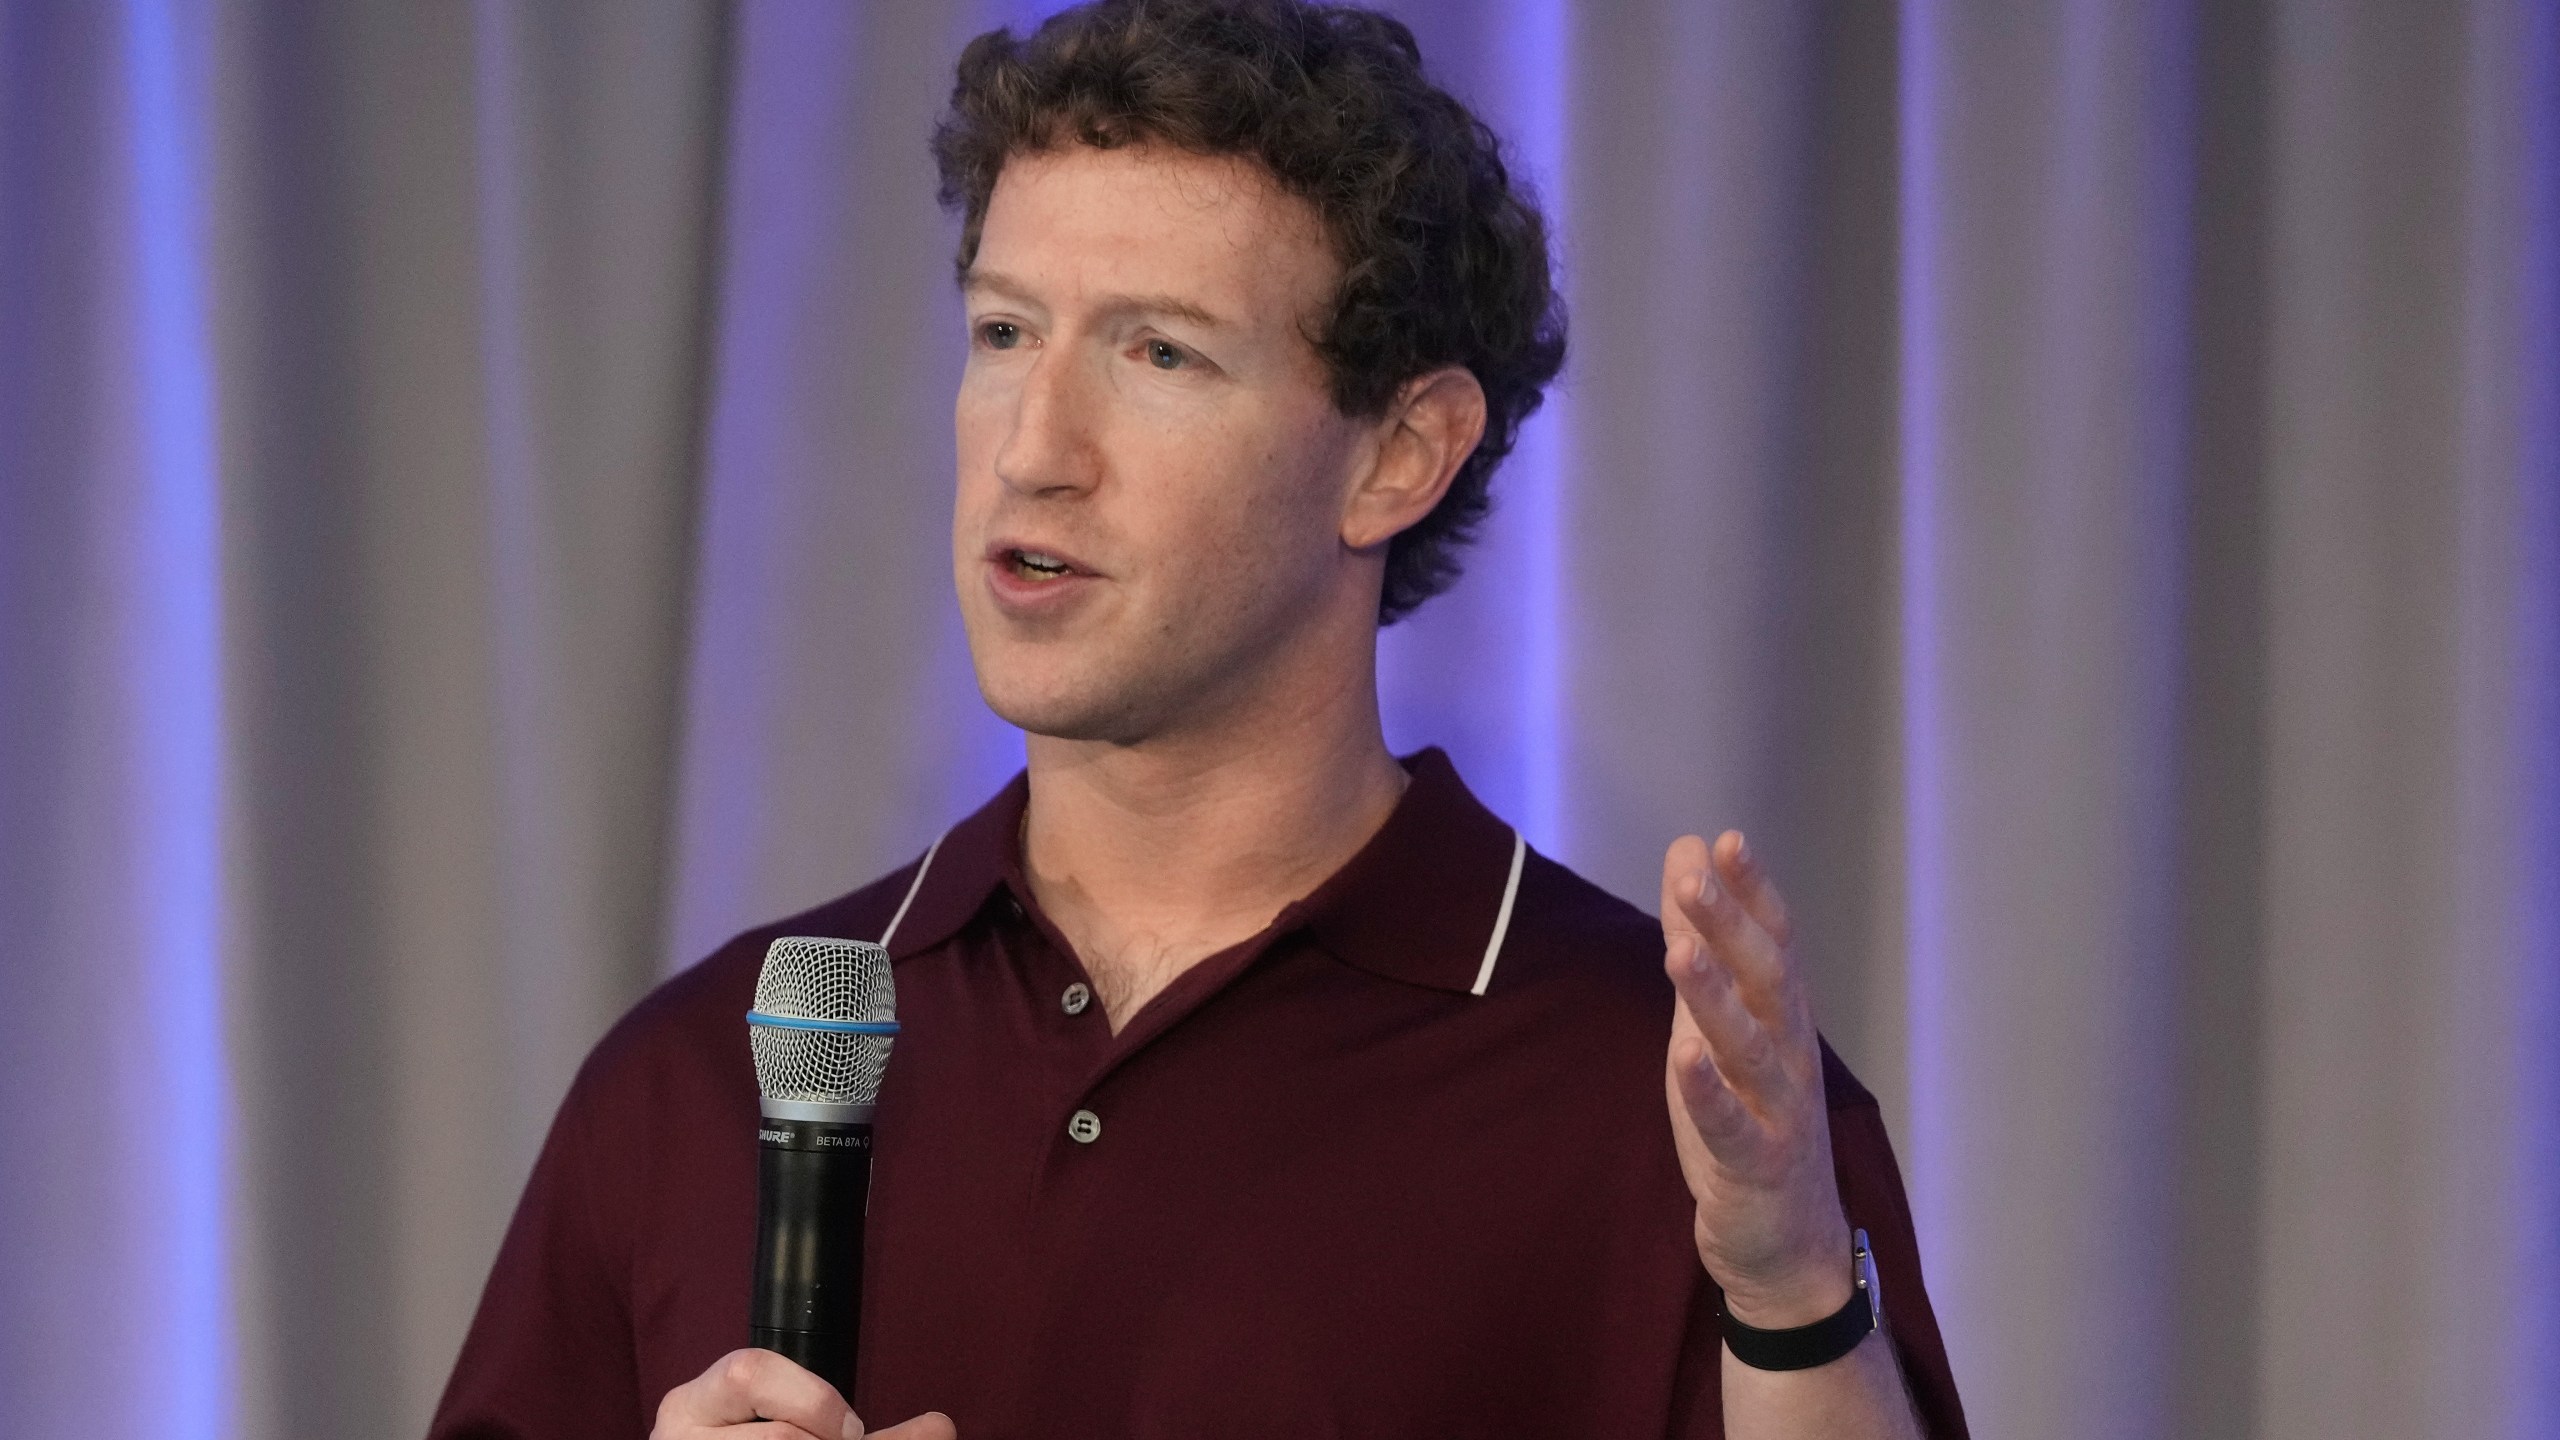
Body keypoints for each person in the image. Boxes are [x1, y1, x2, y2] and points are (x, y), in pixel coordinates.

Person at [429, 2, 1969, 1436]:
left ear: (1400, 455)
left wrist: (1783, 1302)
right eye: (1005, 334)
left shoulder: (1674, 1101)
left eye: (1159, 352)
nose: (1035, 448)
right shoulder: (710, 1068)